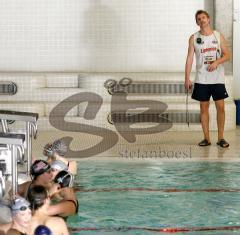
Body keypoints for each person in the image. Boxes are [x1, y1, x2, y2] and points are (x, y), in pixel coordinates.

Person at [185, 10, 230, 148]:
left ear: (208, 19)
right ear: (197, 22)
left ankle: (221, 138)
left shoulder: (218, 36)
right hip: (201, 79)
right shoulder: (194, 38)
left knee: (220, 108)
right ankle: (206, 138)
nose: (202, 20)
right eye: (199, 19)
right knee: (203, 108)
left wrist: (216, 62)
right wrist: (187, 78)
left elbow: (227, 55)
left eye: (204, 17)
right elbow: (190, 59)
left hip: (217, 79)